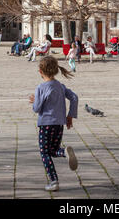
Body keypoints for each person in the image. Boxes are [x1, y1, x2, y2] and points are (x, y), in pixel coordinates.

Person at [29, 55, 78, 192]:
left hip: (46, 124)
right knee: (53, 150)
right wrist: (70, 115)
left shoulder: (41, 88)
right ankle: (64, 153)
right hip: (59, 123)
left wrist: (34, 101)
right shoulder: (60, 86)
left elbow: (37, 108)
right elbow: (74, 97)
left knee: (44, 152)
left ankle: (54, 180)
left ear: (40, 71)